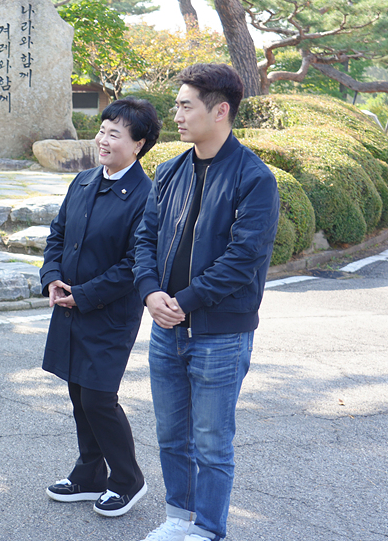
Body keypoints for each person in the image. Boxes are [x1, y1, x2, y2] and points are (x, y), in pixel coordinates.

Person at [132, 63, 279, 541]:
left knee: (212, 442)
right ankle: (180, 519)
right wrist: (151, 293)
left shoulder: (255, 178)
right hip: (165, 326)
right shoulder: (170, 169)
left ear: (220, 111)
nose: (174, 114)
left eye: (184, 105)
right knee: (172, 435)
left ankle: (210, 529)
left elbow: (243, 259)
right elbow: (145, 238)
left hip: (219, 333)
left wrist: (185, 301)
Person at [41, 97, 161, 518]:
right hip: (70, 306)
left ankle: (127, 479)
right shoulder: (85, 181)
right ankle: (89, 473)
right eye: (102, 129)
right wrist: (52, 277)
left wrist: (85, 294)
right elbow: (57, 235)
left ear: (138, 143)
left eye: (115, 133)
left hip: (108, 315)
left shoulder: (146, 195)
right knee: (78, 393)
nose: (103, 139)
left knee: (97, 399)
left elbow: (135, 264)